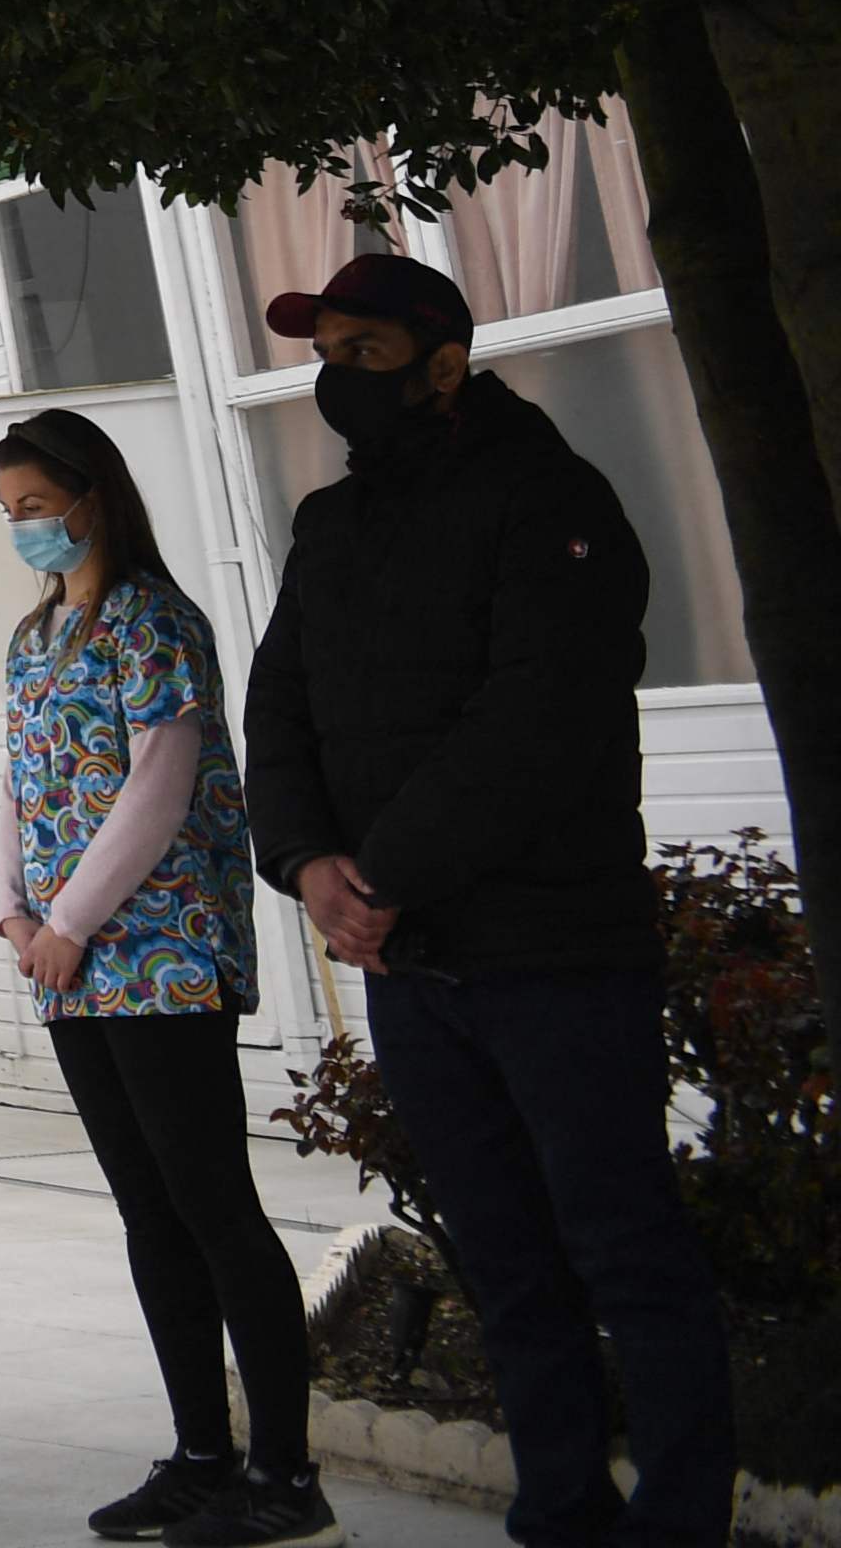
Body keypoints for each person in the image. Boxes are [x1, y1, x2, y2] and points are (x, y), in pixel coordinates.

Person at [251, 247, 723, 1547]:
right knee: (504, 1261)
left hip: (555, 951)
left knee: (624, 1249)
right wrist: (308, 861)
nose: (337, 377)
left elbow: (541, 717)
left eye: (365, 352)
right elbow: (279, 708)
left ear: (445, 362)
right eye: (325, 355)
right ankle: (560, 1511)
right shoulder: (330, 526)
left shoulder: (549, 499)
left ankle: (681, 1518)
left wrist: (382, 874)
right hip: (415, 965)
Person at [0, 406, 329, 1548]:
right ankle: (199, 1456)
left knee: (212, 1204)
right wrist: (14, 909)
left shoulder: (155, 622)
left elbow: (159, 786)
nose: (23, 526)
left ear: (92, 498)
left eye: (37, 505)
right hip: (68, 965)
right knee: (149, 1210)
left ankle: (285, 1476)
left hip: (161, 957)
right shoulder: (33, 636)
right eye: (10, 511)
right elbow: (18, 780)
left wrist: (71, 920)